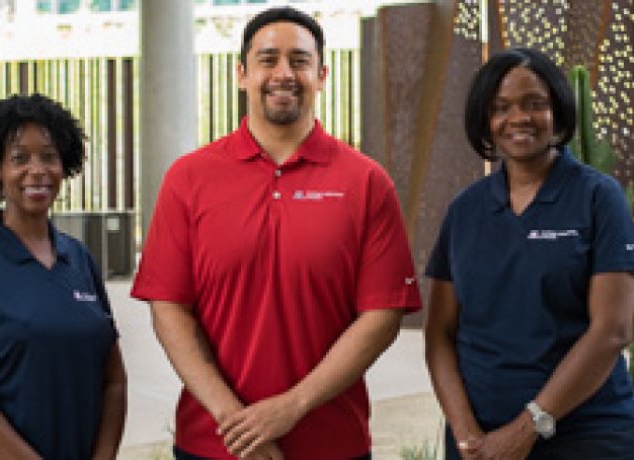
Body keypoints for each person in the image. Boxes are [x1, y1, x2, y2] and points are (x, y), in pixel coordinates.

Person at [131, 6, 421, 459]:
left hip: (332, 445)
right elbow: (169, 309)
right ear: (242, 74)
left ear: (321, 75)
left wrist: (290, 408)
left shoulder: (365, 182)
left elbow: (381, 317)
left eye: (299, 61)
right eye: (268, 60)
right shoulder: (189, 179)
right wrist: (238, 424)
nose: (283, 73)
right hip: (212, 445)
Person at [425, 47, 634, 459]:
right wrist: (466, 432)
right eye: (500, 107)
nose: (518, 118)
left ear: (556, 109)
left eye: (534, 104)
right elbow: (440, 335)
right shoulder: (466, 209)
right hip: (479, 442)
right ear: (485, 120)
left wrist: (528, 428)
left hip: (585, 436)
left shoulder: (597, 197)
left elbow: (612, 330)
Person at [0, 94, 127, 459]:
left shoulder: (78, 258)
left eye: (49, 157)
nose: (37, 170)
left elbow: (113, 380)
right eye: (19, 158)